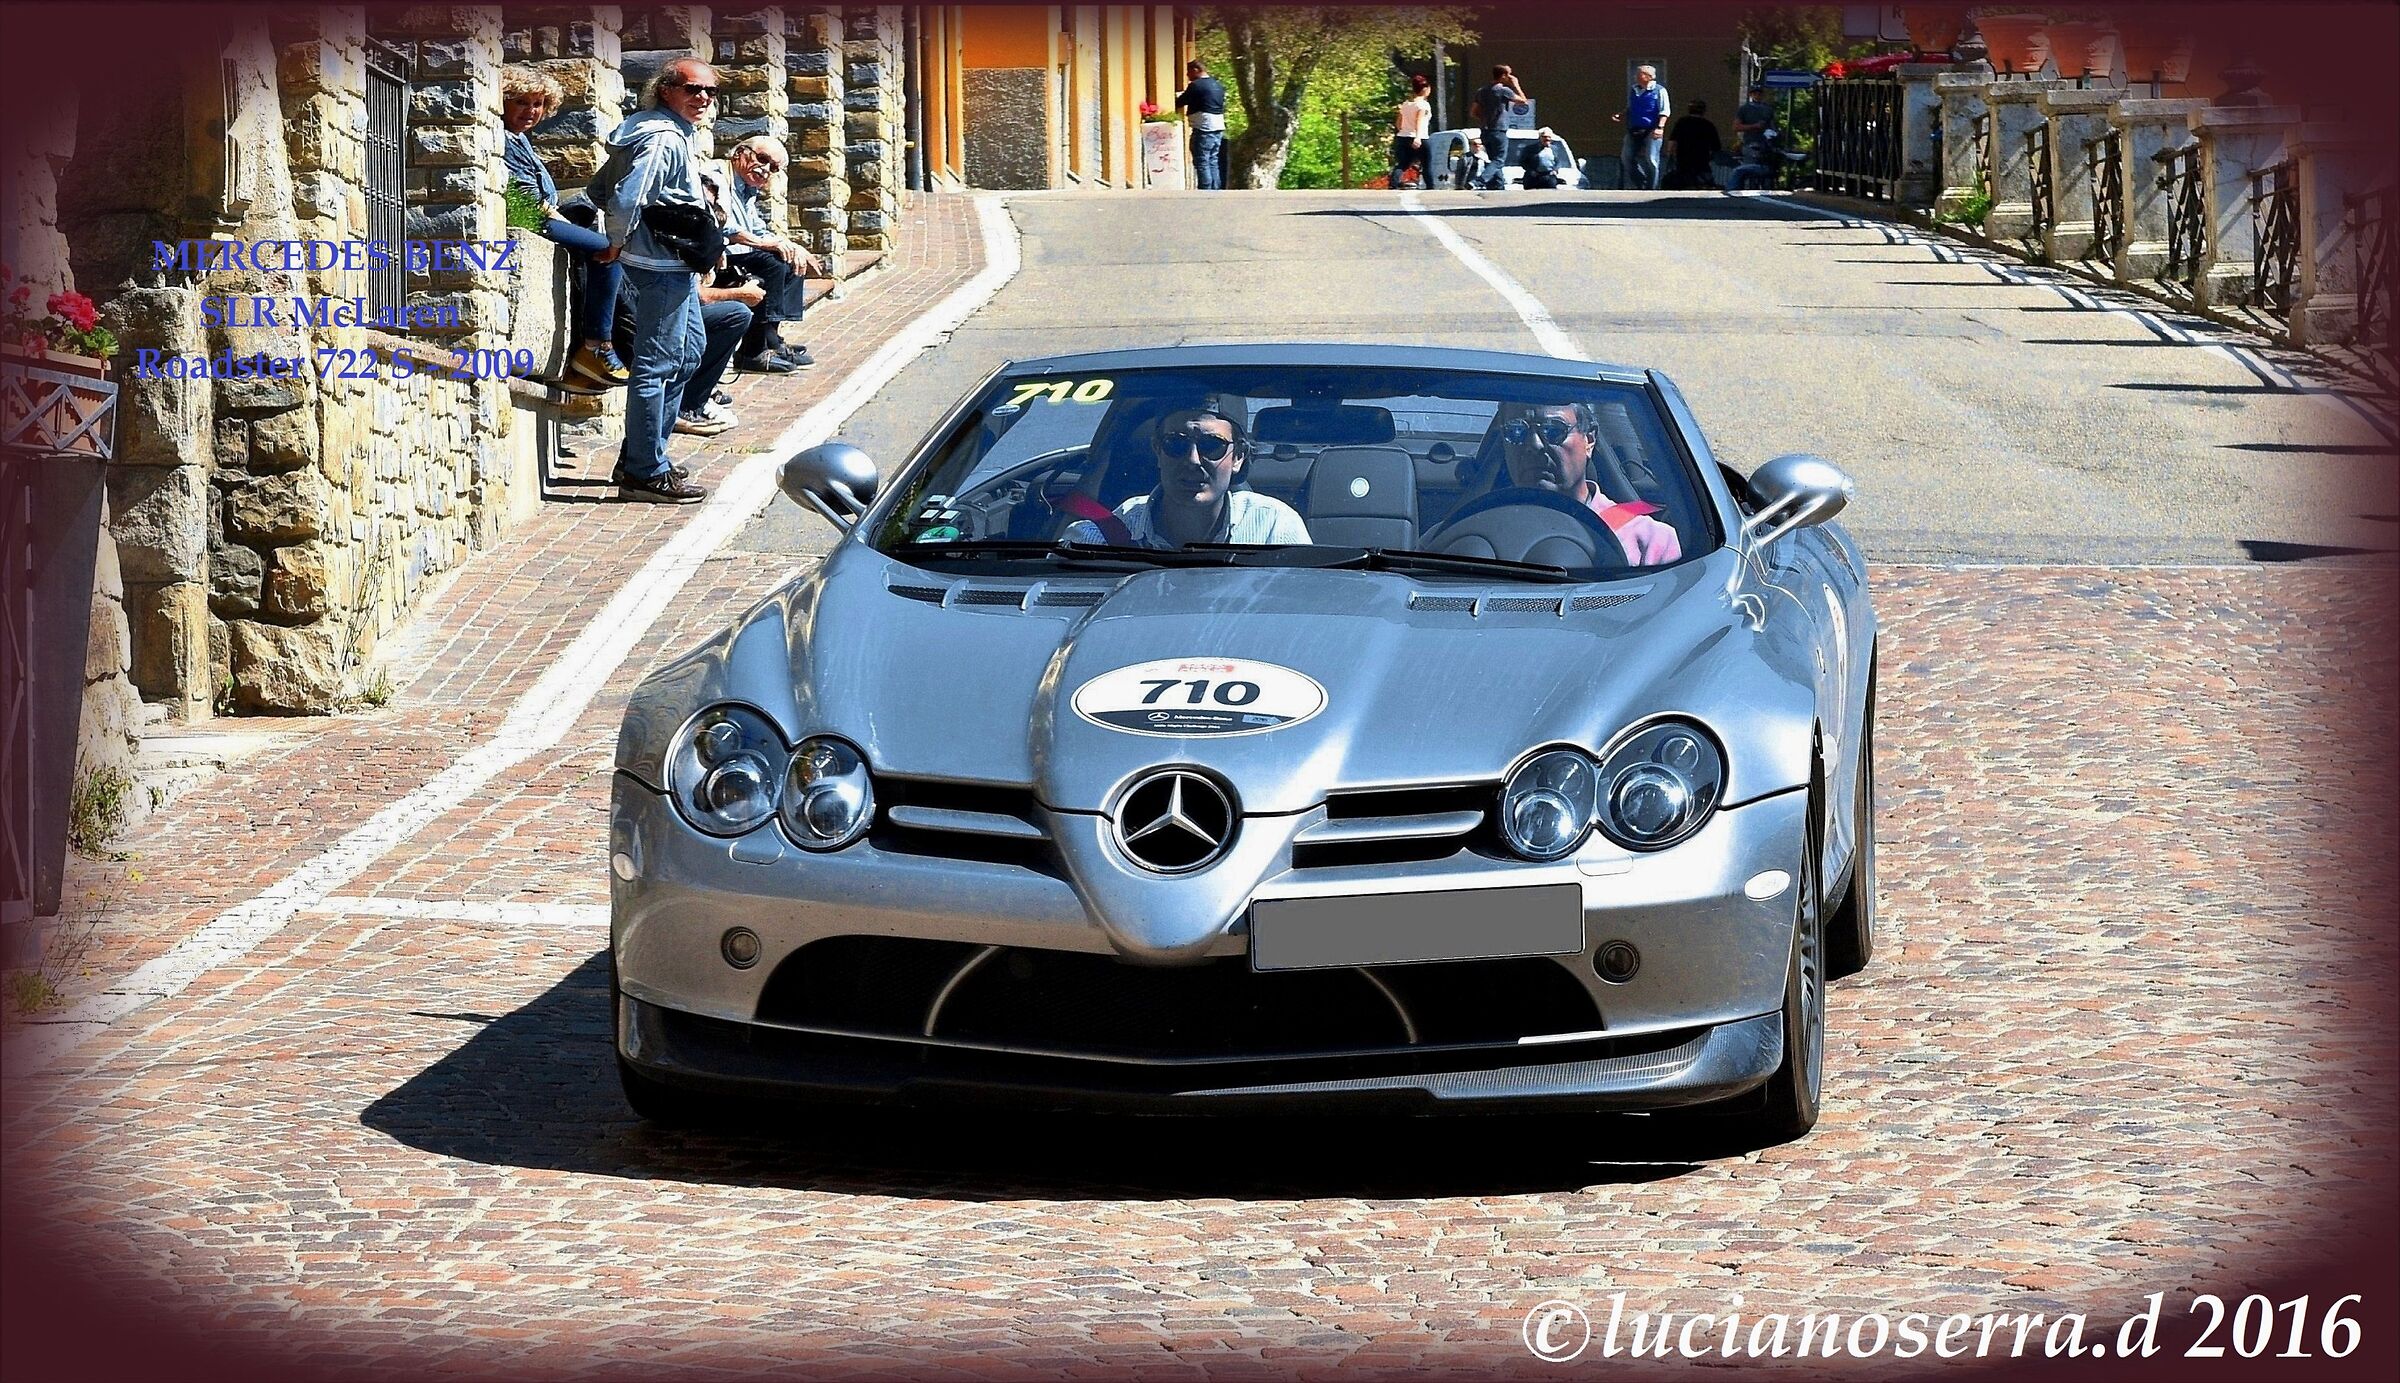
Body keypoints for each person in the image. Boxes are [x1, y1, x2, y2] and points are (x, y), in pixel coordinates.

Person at [587, 56, 718, 503]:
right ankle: (644, 472)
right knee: (657, 366)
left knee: (689, 353)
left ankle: (643, 455)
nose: (703, 98)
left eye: (710, 91)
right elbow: (627, 198)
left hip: (670, 265)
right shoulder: (663, 137)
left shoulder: (649, 128)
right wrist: (617, 242)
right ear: (666, 90)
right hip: (660, 267)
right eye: (693, 89)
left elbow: (599, 189)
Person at [499, 65, 626, 389]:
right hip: (533, 221)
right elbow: (527, 198)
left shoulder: (520, 139)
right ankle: (596, 345)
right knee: (606, 250)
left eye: (538, 104)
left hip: (544, 217)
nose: (531, 111)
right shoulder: (503, 138)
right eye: (521, 102)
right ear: (503, 101)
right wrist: (562, 219)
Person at [1059, 396, 1310, 549]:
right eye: (1176, 444)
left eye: (1212, 445)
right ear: (1158, 450)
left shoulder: (1273, 528)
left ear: (1239, 456)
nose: (1192, 460)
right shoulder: (1099, 539)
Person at [1496, 402, 1681, 566]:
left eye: (1553, 431)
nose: (1534, 445)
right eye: (1516, 431)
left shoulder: (1654, 543)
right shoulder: (1486, 530)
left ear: (1589, 439)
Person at [709, 135, 819, 373]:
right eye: (762, 159)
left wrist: (789, 245)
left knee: (791, 258)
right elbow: (720, 225)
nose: (766, 169)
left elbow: (757, 228)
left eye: (773, 167)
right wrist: (763, 244)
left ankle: (772, 340)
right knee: (772, 263)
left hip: (740, 255)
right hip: (717, 260)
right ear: (740, 153)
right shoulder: (716, 177)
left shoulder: (747, 188)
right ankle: (752, 352)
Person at [1469, 64, 1528, 190]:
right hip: (1499, 130)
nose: (1511, 77)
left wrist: (1484, 118)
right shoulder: (1503, 90)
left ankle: (1497, 186)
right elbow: (1523, 101)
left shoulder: (1481, 91)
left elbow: (1473, 112)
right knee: (1499, 160)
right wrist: (1516, 85)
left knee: (1493, 161)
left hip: (1485, 130)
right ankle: (1478, 181)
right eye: (1509, 74)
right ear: (1503, 76)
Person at [1612, 64, 1671, 190]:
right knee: (1626, 158)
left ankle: (1651, 188)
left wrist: (1660, 127)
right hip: (1634, 128)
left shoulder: (1659, 90)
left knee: (1651, 159)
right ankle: (1642, 183)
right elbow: (1631, 107)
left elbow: (1664, 111)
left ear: (1649, 76)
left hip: (1652, 129)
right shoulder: (1634, 90)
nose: (1636, 76)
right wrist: (1621, 114)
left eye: (1640, 74)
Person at [1176, 59, 1229, 190]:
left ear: (1196, 70)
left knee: (1202, 160)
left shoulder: (1196, 85)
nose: (1187, 75)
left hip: (1203, 127)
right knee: (1213, 160)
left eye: (1188, 72)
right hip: (1218, 127)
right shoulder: (1218, 85)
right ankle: (1215, 189)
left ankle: (1205, 190)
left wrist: (1178, 96)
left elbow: (1181, 101)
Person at [1665, 100, 1723, 190]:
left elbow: (1673, 139)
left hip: (1683, 156)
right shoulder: (1708, 125)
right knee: (1703, 179)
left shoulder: (1682, 122)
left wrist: (1670, 153)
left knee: (1683, 179)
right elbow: (1716, 146)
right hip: (1702, 158)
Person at [1389, 73, 1433, 190]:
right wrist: (1417, 137)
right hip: (1419, 137)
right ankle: (1431, 187)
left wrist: (1404, 131)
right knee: (1426, 164)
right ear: (1425, 89)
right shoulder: (1423, 105)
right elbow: (1419, 121)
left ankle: (1393, 184)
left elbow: (1398, 123)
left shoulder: (1406, 104)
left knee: (1403, 163)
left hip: (1403, 137)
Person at [1733, 82, 1777, 189]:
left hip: (1766, 145)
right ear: (1751, 94)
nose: (1757, 95)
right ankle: (1749, 188)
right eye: (1755, 93)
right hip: (1750, 144)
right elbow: (1736, 127)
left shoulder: (1768, 109)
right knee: (1750, 169)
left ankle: (1766, 188)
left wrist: (1773, 133)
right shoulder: (1744, 109)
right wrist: (1754, 126)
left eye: (1759, 93)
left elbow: (1773, 126)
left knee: (1767, 170)